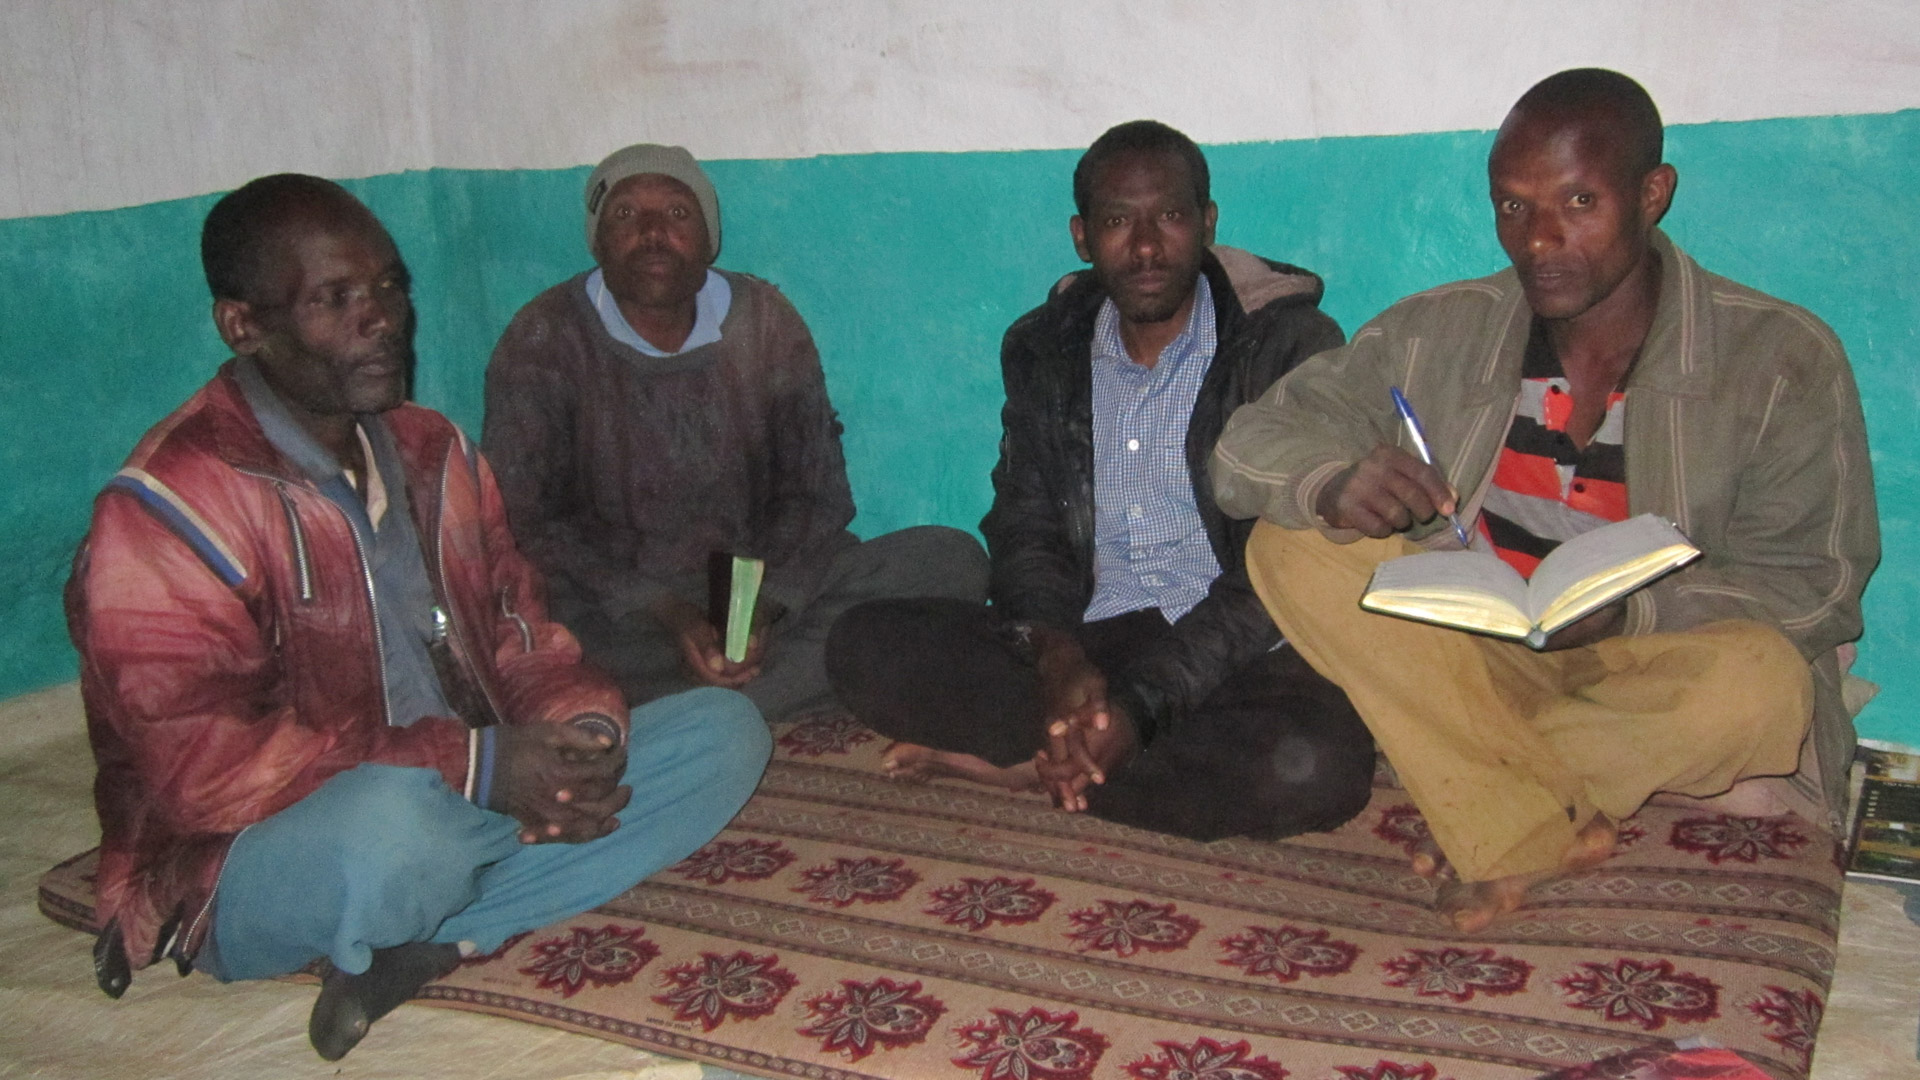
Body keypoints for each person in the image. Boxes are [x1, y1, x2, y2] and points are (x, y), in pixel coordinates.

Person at [66, 174, 772, 1060]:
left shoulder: (435, 451)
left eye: (390, 287)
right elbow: (205, 775)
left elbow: (521, 636)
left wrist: (576, 733)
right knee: (403, 834)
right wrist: (476, 768)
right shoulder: (172, 507)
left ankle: (431, 943)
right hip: (259, 848)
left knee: (725, 734)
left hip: (464, 781)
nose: (383, 321)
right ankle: (459, 887)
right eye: (335, 299)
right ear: (243, 326)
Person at [1211, 69, 1879, 930]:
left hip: (1650, 664)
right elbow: (1248, 447)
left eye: (1578, 202)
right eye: (1513, 206)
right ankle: (1526, 817)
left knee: (1763, 687)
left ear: (1652, 194)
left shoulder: (1780, 359)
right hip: (1473, 661)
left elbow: (1816, 586)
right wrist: (1333, 481)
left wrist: (1631, 612)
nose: (1539, 239)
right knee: (1289, 543)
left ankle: (1489, 795)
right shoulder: (1438, 332)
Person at [825, 121, 1376, 842]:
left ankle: (1040, 761)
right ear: (1082, 237)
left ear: (1207, 223)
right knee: (862, 644)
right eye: (1118, 222)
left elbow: (1278, 573)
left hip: (1225, 652)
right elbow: (1026, 523)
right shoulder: (1046, 347)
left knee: (1324, 768)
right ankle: (1089, 748)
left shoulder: (1286, 346)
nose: (1146, 247)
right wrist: (1057, 654)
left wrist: (1143, 708)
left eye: (1169, 216)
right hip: (1089, 636)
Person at [482, 144, 986, 720]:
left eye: (678, 213)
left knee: (951, 561)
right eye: (625, 214)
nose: (653, 234)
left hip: (756, 590)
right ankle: (759, 695)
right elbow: (523, 518)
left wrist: (760, 609)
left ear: (708, 238)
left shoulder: (765, 319)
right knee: (535, 635)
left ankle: (696, 708)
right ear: (596, 240)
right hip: (624, 611)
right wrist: (666, 611)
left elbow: (818, 492)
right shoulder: (544, 337)